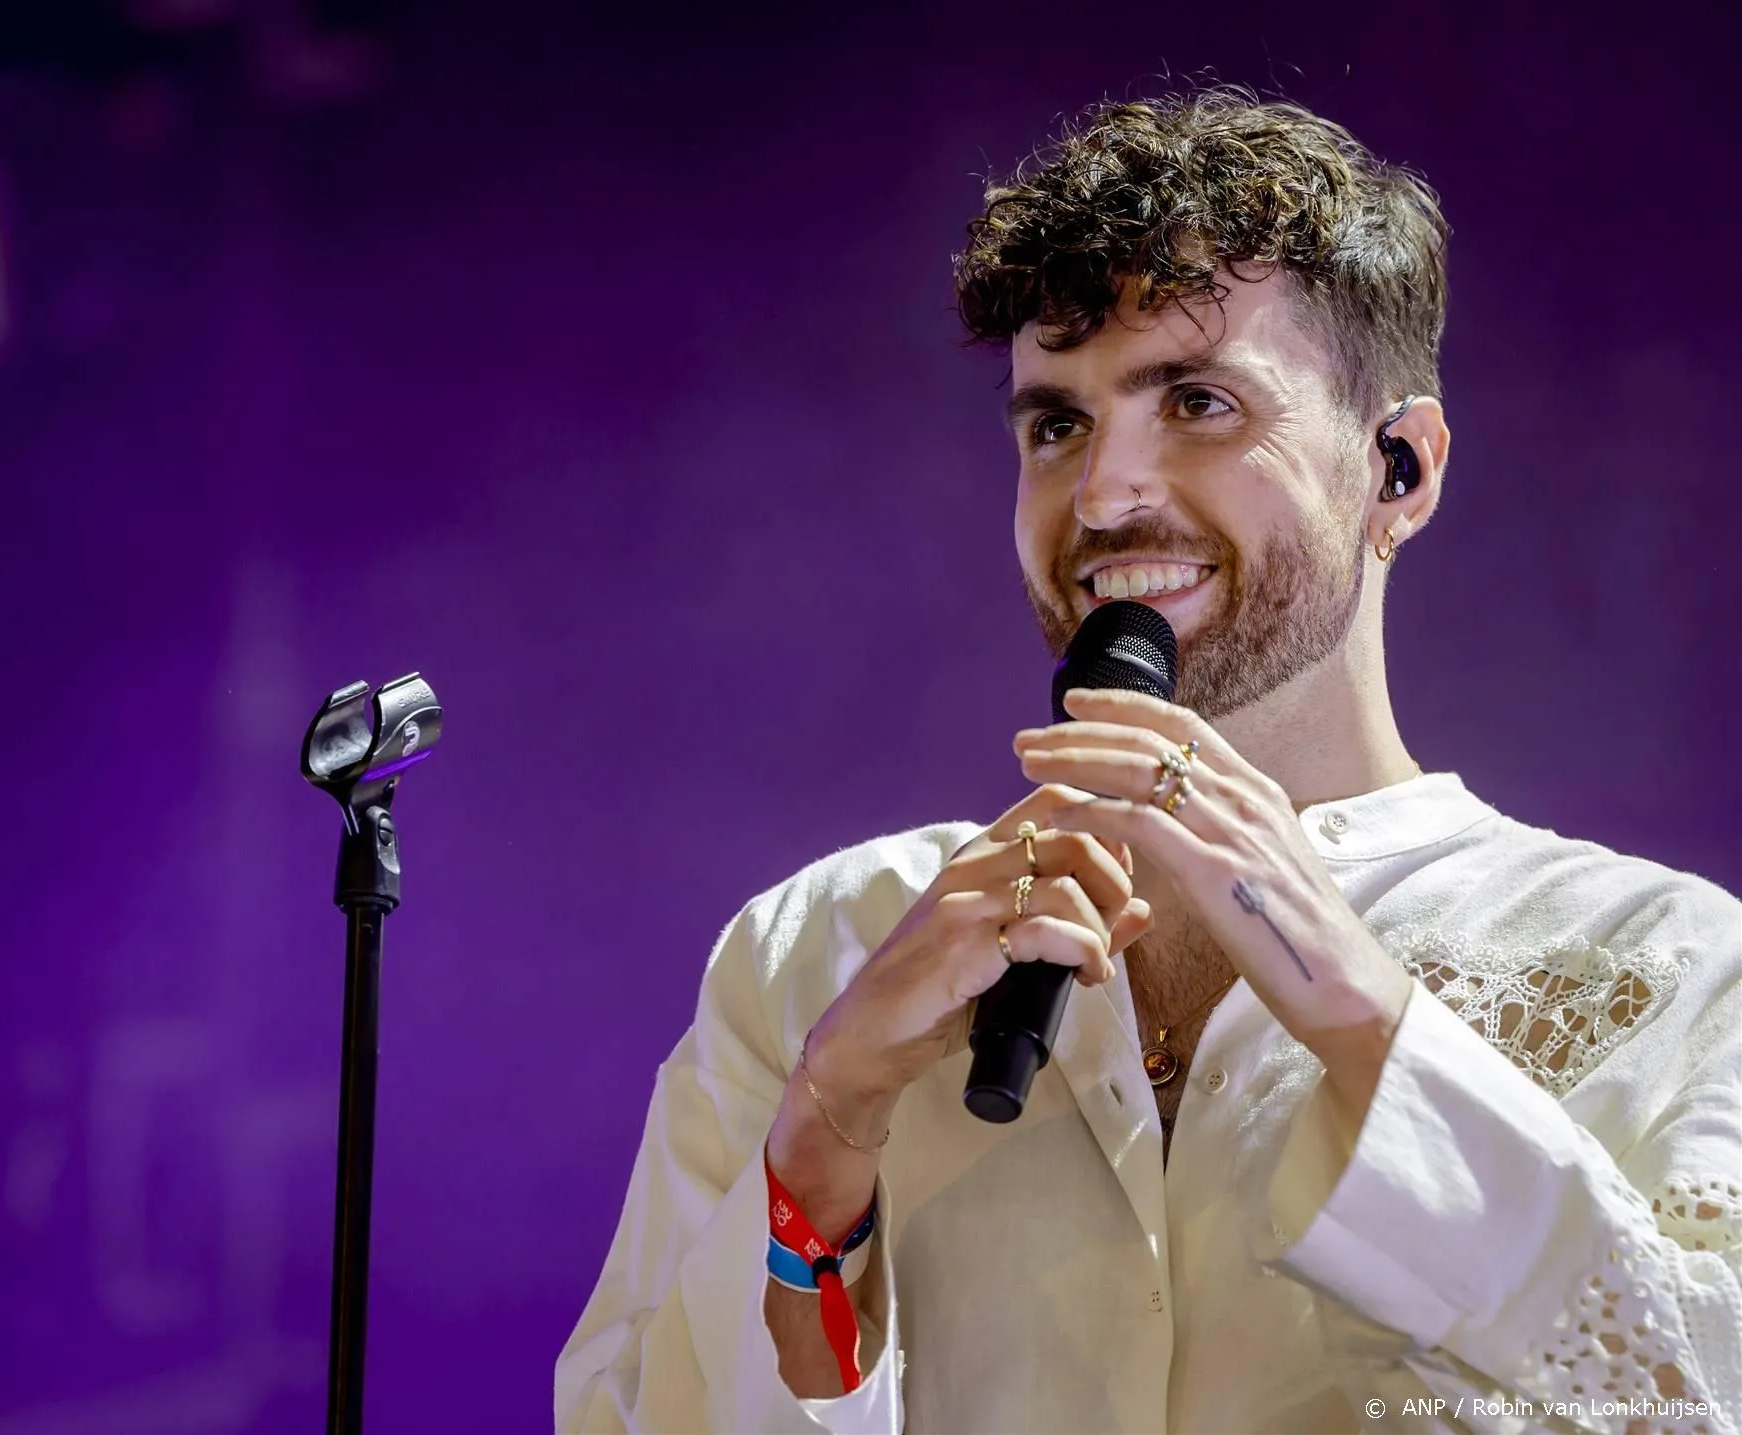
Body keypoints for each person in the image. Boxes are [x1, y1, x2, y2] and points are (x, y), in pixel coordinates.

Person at [553, 89, 1742, 1433]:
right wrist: (823, 1142)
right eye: (1055, 424)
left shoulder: (1671, 969)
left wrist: (1369, 1024)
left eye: (1198, 401)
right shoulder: (821, 950)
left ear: (1399, 468)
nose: (1107, 495)